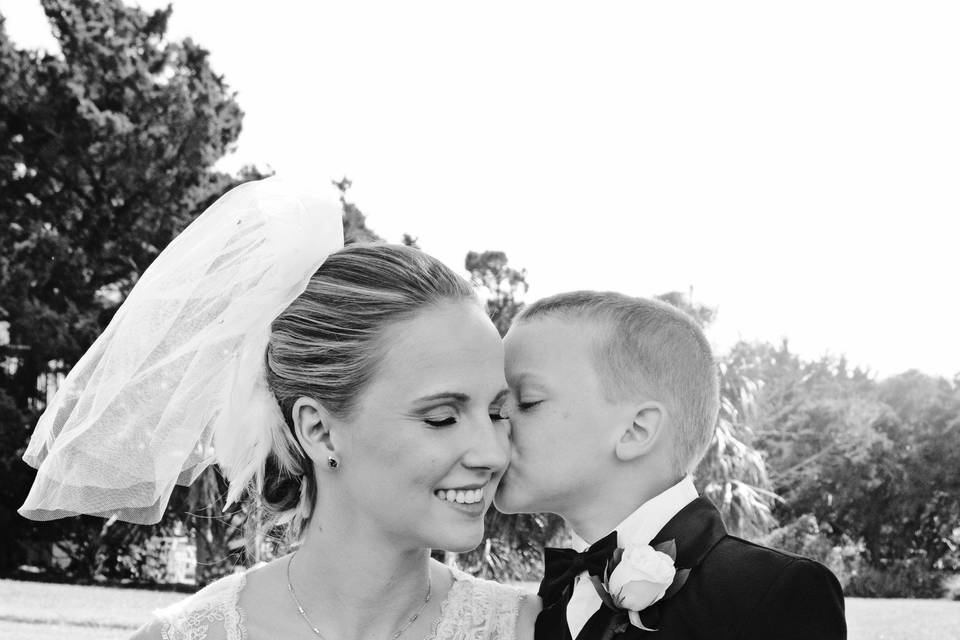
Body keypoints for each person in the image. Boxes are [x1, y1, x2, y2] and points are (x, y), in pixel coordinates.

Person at [19, 178, 539, 640]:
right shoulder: (184, 636)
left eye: (497, 413)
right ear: (319, 430)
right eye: (443, 417)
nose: (493, 453)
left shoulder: (537, 629)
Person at [495, 291, 846, 640]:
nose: (495, 418)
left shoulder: (774, 592)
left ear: (636, 430)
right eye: (497, 402)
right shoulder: (549, 599)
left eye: (527, 401)